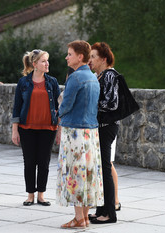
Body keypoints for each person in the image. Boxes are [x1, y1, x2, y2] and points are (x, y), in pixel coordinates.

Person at [56, 40, 103, 229]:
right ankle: (83, 218)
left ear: (80, 56)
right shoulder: (93, 77)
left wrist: (57, 114)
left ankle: (78, 218)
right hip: (90, 132)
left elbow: (65, 105)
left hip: (74, 132)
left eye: (69, 54)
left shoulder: (75, 78)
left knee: (75, 174)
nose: (67, 57)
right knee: (87, 174)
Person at [12, 49, 60, 207]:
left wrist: (59, 130)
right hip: (27, 128)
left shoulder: (52, 82)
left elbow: (60, 108)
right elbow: (17, 108)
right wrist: (15, 130)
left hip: (48, 129)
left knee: (44, 162)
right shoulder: (23, 82)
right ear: (34, 64)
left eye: (47, 61)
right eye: (43, 61)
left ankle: (41, 195)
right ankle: (30, 195)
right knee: (30, 162)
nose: (47, 64)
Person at [88, 42, 119, 224]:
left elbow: (111, 103)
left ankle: (109, 214)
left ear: (104, 59)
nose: (90, 60)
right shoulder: (99, 76)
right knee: (100, 170)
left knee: (105, 169)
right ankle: (101, 210)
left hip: (107, 127)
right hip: (100, 126)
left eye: (93, 56)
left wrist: (90, 106)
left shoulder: (109, 75)